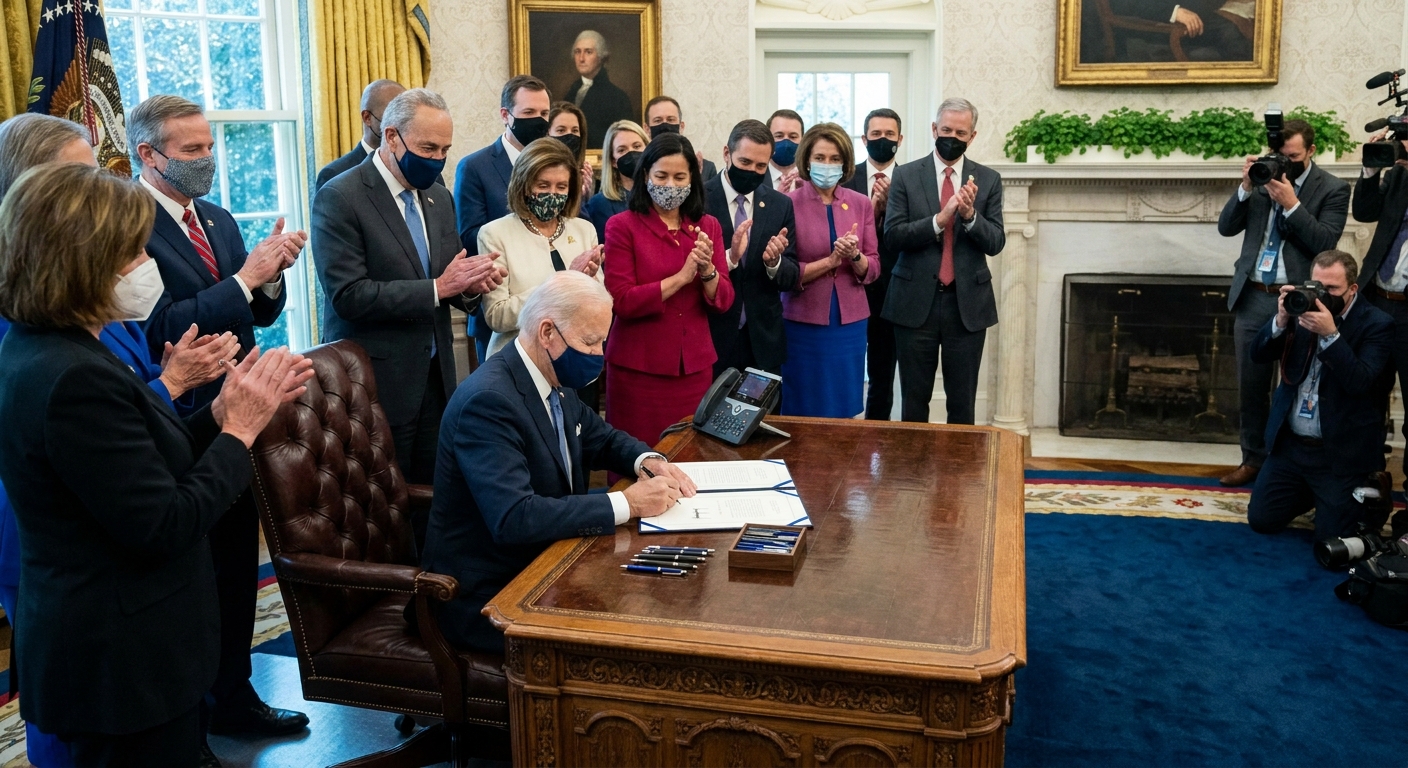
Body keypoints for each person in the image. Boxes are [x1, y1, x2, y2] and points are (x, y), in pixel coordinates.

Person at [0, 161, 313, 768]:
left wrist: (218, 410)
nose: (146, 267)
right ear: (82, 262)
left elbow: (137, 453)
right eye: (131, 254)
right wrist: (240, 431)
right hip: (117, 662)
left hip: (127, 650)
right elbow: (163, 522)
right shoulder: (71, 374)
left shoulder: (52, 346)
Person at [128, 93, 312, 749]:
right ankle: (192, 717)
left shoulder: (219, 217)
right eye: (191, 150)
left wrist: (266, 278)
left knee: (235, 567)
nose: (206, 159)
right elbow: (154, 331)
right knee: (191, 580)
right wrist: (242, 280)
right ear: (148, 155)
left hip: (236, 411)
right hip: (171, 418)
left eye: (209, 146)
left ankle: (234, 695)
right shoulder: (126, 224)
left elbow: (254, 315)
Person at [422, 271, 698, 653]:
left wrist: (647, 460)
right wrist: (629, 503)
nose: (599, 355)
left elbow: (600, 436)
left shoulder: (552, 378)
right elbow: (515, 517)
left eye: (603, 341)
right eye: (590, 342)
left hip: (547, 562)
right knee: (632, 638)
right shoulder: (488, 402)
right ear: (547, 332)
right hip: (486, 596)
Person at [315, 88, 505, 532]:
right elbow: (349, 294)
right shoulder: (341, 195)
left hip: (437, 381)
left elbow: (450, 277)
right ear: (392, 137)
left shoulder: (438, 195)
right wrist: (440, 287)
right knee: (380, 504)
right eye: (427, 149)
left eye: (444, 150)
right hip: (376, 382)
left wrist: (473, 285)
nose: (437, 160)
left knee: (434, 500)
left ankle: (433, 588)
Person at [1216, 119, 1349, 488]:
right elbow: (1226, 227)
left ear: (1311, 150)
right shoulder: (1261, 180)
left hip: (1301, 300)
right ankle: (1252, 460)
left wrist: (1291, 205)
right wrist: (1245, 187)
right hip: (1254, 295)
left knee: (1295, 383)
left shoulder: (1333, 189)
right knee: (1251, 386)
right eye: (1281, 156)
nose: (1286, 164)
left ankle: (1288, 467)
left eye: (1293, 157)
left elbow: (1326, 242)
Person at [1246, 251, 1395, 545]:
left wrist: (1331, 335)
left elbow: (1361, 383)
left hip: (1339, 452)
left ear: (1353, 289)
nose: (1321, 295)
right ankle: (1310, 494)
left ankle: (1363, 495)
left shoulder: (1377, 324)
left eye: (1332, 289)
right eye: (1316, 285)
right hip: (1292, 447)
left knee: (1332, 540)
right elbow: (1257, 354)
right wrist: (1280, 318)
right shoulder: (1299, 308)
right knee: (1262, 520)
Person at [603, 132, 734, 446]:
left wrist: (707, 272)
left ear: (693, 179)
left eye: (680, 177)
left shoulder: (708, 226)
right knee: (636, 460)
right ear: (646, 175)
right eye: (661, 176)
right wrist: (681, 277)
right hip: (638, 370)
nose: (670, 185)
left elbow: (724, 300)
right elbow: (622, 300)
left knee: (690, 458)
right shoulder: (622, 225)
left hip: (693, 370)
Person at [882, 98, 1005, 425]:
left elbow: (996, 242)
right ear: (934, 129)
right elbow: (892, 236)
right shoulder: (906, 176)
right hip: (914, 303)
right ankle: (913, 470)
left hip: (966, 306)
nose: (952, 136)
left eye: (960, 132)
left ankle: (959, 475)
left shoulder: (988, 180)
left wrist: (969, 216)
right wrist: (939, 220)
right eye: (946, 129)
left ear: (972, 136)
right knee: (914, 400)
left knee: (963, 403)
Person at [779, 123, 879, 417]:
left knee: (844, 403)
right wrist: (830, 262)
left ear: (846, 163)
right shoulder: (788, 203)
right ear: (806, 161)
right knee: (802, 403)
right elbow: (783, 269)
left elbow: (873, 267)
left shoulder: (860, 203)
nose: (827, 165)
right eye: (820, 157)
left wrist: (855, 256)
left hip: (849, 323)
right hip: (802, 320)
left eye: (835, 159)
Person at [455, 75, 552, 363]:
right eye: (529, 113)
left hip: (552, 308)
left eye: (544, 114)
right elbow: (470, 234)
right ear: (505, 115)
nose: (538, 120)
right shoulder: (475, 166)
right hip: (500, 306)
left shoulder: (555, 163)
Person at [480, 138, 603, 358]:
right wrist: (562, 283)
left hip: (575, 359)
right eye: (543, 185)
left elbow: (600, 303)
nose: (552, 194)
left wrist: (592, 286)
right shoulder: (495, 233)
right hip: (519, 360)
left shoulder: (584, 230)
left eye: (561, 187)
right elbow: (497, 316)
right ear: (524, 186)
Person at [704, 118, 799, 378]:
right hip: (712, 339)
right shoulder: (698, 200)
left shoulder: (780, 205)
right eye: (745, 162)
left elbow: (792, 275)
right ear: (727, 153)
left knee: (765, 419)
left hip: (763, 342)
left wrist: (774, 263)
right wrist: (729, 258)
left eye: (761, 166)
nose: (752, 171)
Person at [1351, 125, 1408, 538]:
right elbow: (1366, 212)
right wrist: (1372, 169)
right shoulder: (1399, 173)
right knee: (1365, 400)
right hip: (1377, 301)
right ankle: (1369, 489)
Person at [844, 108, 905, 420]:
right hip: (849, 286)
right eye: (876, 134)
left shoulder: (910, 181)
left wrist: (890, 209)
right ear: (865, 139)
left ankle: (877, 431)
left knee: (883, 369)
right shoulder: (845, 177)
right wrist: (873, 211)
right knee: (847, 366)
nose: (883, 140)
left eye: (889, 135)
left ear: (900, 139)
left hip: (892, 289)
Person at [315, 79, 404, 192]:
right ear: (367, 118)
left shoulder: (417, 166)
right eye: (392, 116)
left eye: (406, 117)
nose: (401, 124)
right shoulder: (335, 174)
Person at [564, 30, 633, 149]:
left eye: (588, 52)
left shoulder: (617, 98)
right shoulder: (571, 92)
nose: (581, 58)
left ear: (601, 57)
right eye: (577, 52)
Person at [583, 119, 647, 244]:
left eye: (637, 146)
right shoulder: (599, 204)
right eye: (622, 150)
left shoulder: (659, 195)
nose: (631, 152)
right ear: (613, 161)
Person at [644, 95, 717, 181]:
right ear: (647, 129)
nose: (665, 125)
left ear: (681, 127)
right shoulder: (641, 166)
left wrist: (695, 178)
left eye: (670, 119)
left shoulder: (706, 168)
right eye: (658, 120)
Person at [548, 100, 596, 203]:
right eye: (561, 130)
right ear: (548, 133)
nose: (570, 135)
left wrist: (585, 197)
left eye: (575, 131)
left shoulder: (584, 173)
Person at [762, 109, 805, 193]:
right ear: (768, 138)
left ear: (803, 140)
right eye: (779, 136)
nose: (786, 142)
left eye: (793, 136)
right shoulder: (756, 178)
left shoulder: (811, 179)